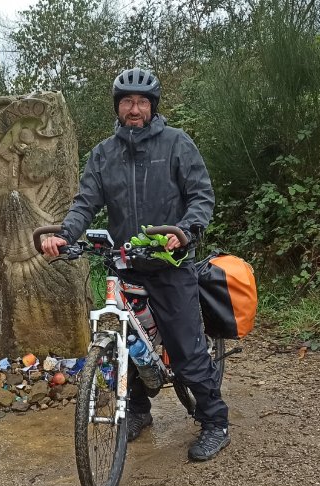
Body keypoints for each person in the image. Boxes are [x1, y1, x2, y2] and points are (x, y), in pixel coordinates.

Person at [40, 68, 229, 462]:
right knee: (127, 340)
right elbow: (84, 203)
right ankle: (139, 412)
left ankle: (215, 421)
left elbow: (201, 197)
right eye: (127, 101)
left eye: (142, 102)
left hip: (170, 263)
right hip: (124, 264)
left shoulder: (177, 145)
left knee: (185, 349)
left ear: (153, 106)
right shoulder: (103, 154)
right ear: (117, 107)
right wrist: (65, 234)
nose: (134, 108)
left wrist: (185, 230)